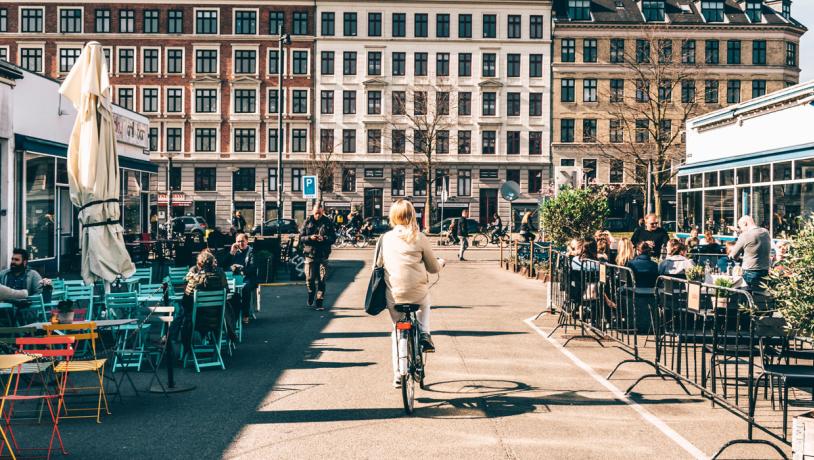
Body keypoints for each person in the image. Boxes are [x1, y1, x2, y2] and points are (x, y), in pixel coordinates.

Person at [376, 200, 444, 387]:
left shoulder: (385, 238)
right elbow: (432, 267)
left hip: (394, 295)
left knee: (397, 330)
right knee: (424, 302)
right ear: (412, 215)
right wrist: (441, 263)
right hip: (417, 293)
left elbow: (378, 265)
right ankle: (424, 333)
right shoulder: (419, 237)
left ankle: (398, 373)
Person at [181, 251, 236, 351]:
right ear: (213, 263)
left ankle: (185, 349)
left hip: (197, 321)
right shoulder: (220, 276)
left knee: (182, 315)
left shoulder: (195, 280)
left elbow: (185, 302)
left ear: (199, 263)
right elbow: (226, 293)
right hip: (218, 320)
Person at [300, 203, 337, 310]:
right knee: (310, 279)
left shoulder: (327, 221)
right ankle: (311, 294)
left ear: (322, 212)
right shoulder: (307, 221)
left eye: (320, 213)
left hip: (323, 255)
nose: (318, 215)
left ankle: (319, 302)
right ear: (313, 211)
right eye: (316, 213)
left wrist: (324, 239)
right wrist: (310, 238)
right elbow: (301, 237)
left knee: (322, 280)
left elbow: (333, 238)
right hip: (310, 255)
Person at [729, 215, 771, 291]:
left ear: (745, 223)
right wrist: (738, 231)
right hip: (765, 272)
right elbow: (753, 235)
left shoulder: (744, 235)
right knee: (760, 298)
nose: (741, 229)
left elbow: (733, 255)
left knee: (747, 299)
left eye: (740, 226)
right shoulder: (765, 232)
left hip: (750, 273)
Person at [229, 233, 256, 324]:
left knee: (245, 288)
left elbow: (253, 267)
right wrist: (231, 252)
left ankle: (245, 314)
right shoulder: (235, 251)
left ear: (247, 241)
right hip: (235, 277)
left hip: (248, 277)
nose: (240, 243)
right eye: (238, 241)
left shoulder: (252, 251)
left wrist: (241, 268)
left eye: (242, 241)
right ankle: (231, 314)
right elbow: (224, 264)